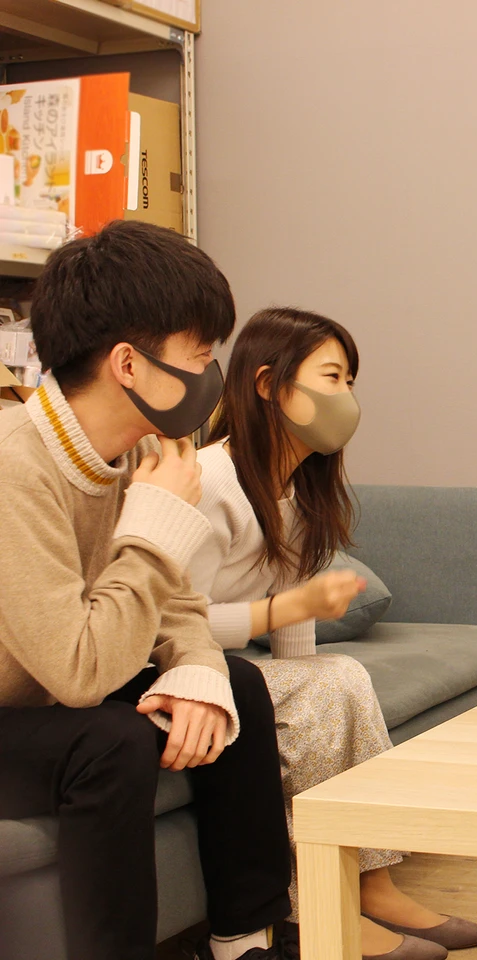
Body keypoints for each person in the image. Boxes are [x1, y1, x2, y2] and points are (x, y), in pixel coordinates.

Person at [0, 220, 294, 960]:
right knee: (112, 740)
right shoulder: (14, 468)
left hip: (50, 692)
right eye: (199, 354)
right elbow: (78, 674)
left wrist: (195, 670)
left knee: (236, 684)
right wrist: (157, 525)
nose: (211, 374)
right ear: (128, 364)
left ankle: (245, 941)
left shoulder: (136, 455)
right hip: (19, 706)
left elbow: (178, 604)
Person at [189, 307, 477, 960]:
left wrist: (303, 641)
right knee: (325, 686)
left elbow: (293, 627)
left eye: (350, 381)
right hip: (178, 670)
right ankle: (312, 904)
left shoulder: (294, 490)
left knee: (339, 676)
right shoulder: (210, 480)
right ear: (268, 384)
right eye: (332, 377)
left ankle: (375, 884)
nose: (346, 397)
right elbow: (168, 625)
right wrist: (282, 614)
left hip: (225, 665)